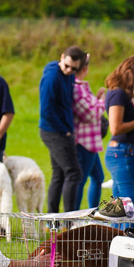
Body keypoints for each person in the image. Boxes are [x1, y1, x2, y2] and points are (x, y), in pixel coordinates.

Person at [39, 45, 85, 212]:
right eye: (66, 66)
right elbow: (46, 111)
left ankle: (53, 221)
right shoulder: (52, 77)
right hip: (53, 131)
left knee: (59, 174)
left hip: (61, 129)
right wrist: (63, 130)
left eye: (73, 69)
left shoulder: (69, 75)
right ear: (61, 58)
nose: (69, 70)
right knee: (74, 173)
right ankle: (68, 220)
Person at [105, 56, 134, 212]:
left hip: (122, 152)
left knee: (120, 209)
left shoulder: (117, 93)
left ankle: (118, 235)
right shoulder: (118, 94)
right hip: (122, 152)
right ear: (131, 74)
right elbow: (115, 128)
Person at [72, 53, 106, 209]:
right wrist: (103, 101)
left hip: (91, 143)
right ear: (84, 68)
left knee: (98, 177)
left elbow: (90, 105)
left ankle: (93, 212)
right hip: (83, 143)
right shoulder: (76, 88)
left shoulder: (83, 86)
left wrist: (97, 97)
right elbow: (91, 114)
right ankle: (73, 216)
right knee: (80, 180)